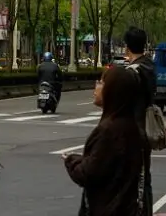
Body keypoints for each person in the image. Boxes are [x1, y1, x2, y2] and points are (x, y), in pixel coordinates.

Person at [64, 65, 149, 216]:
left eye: (102, 82)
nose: (96, 86)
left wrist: (71, 161)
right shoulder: (131, 127)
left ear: (113, 91)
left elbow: (89, 173)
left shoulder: (109, 131)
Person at [124, 27, 156, 215]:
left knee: (135, 179)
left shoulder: (132, 72)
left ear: (127, 47)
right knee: (144, 178)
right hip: (144, 129)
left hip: (133, 132)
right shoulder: (150, 66)